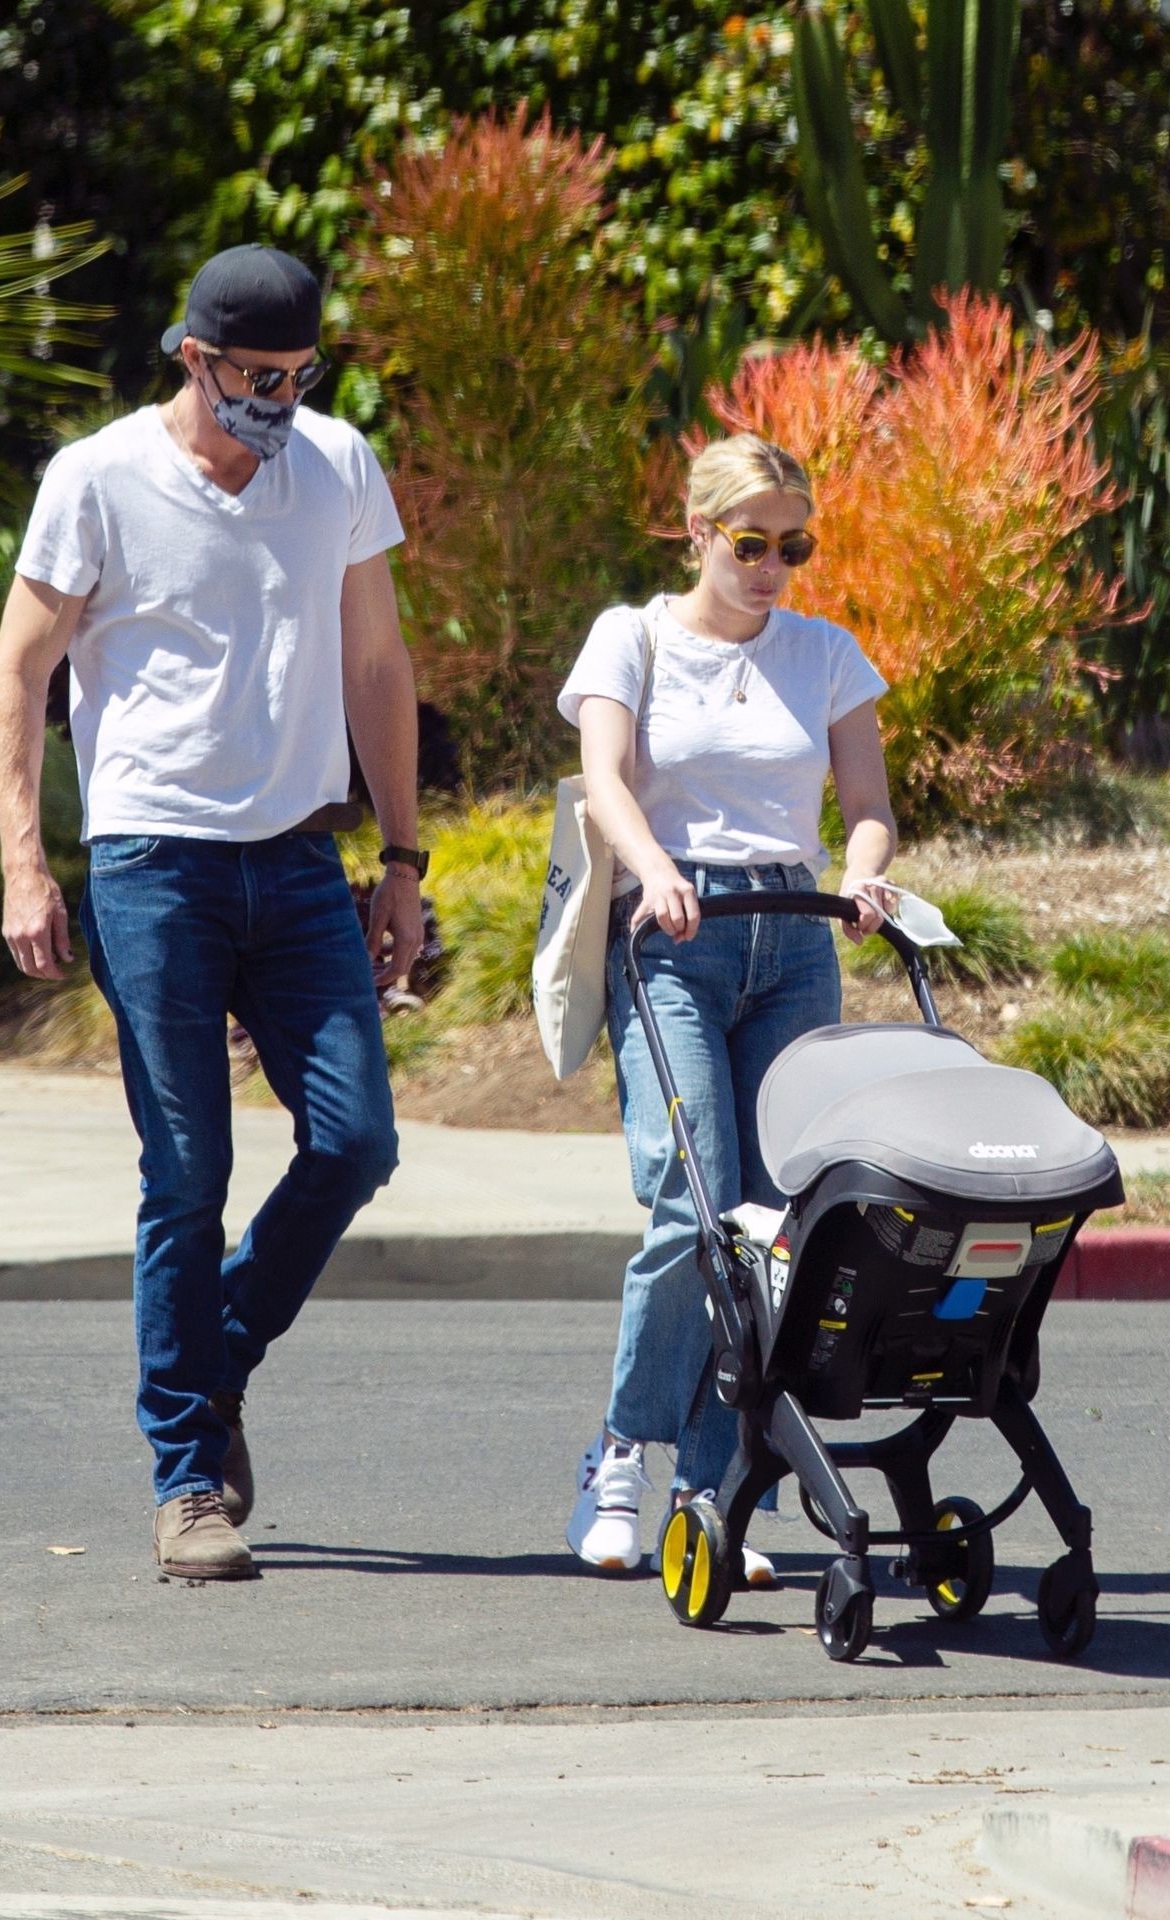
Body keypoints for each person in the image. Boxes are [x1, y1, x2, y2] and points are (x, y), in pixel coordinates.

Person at [0, 244, 427, 1582]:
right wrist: (25, 863)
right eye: (258, 376)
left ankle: (215, 1359)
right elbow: (18, 676)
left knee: (355, 1142)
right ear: (195, 357)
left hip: (294, 864)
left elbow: (377, 663)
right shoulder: (99, 479)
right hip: (152, 867)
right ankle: (186, 1481)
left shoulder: (336, 465)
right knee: (186, 1171)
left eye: (302, 374)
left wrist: (403, 859)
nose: (282, 399)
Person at [559, 431, 897, 1577]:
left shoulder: (826, 653)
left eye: (793, 547)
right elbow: (603, 781)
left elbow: (865, 806)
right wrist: (653, 868)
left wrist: (861, 875)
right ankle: (619, 1451)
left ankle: (711, 1491)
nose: (771, 569)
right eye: (750, 543)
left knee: (770, 1225)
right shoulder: (631, 637)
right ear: (697, 531)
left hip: (793, 941)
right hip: (672, 937)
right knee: (689, 1203)